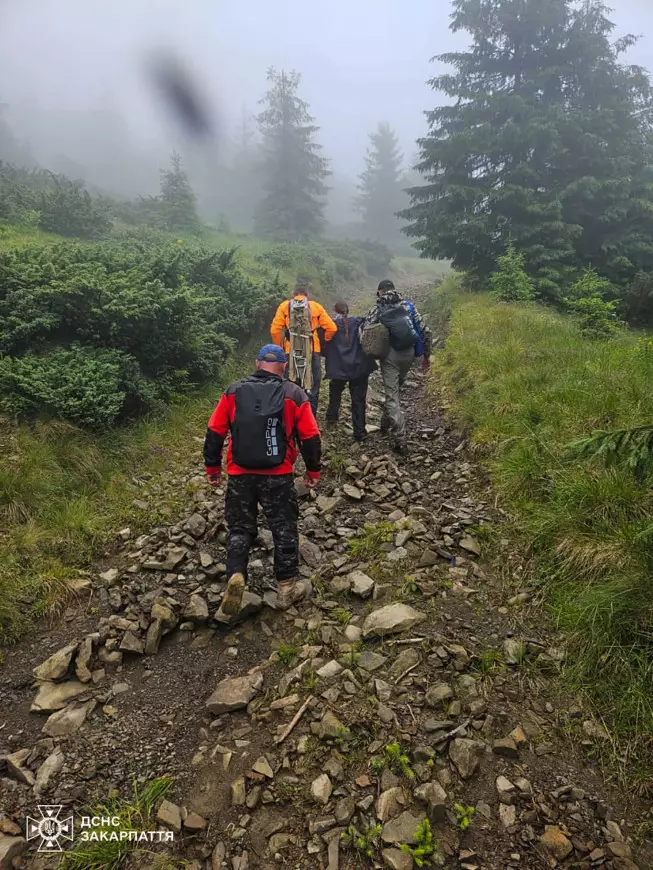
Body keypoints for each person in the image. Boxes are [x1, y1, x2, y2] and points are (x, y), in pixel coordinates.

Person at [204, 344, 322, 613]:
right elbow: (310, 436)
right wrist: (312, 470)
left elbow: (215, 430)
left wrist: (212, 467)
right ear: (283, 367)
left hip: (240, 473)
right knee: (283, 527)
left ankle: (236, 574)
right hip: (278, 474)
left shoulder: (234, 391)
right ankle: (286, 587)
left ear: (257, 364)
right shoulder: (293, 393)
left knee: (239, 527)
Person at [363, 279, 432, 455]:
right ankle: (385, 423)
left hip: (389, 356)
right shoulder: (408, 306)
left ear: (380, 292)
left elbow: (366, 332)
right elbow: (425, 331)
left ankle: (400, 440)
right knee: (395, 389)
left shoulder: (377, 309)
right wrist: (426, 356)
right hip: (408, 353)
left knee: (392, 395)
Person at [270, 284, 337, 415]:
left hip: (290, 351)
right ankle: (309, 418)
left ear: (293, 295)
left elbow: (274, 330)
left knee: (290, 385)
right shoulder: (315, 306)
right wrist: (325, 339)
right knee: (312, 386)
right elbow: (332, 328)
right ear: (307, 295)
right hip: (312, 350)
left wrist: (280, 348)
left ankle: (291, 417)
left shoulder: (285, 306)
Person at [322, 301, 376, 442]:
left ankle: (332, 417)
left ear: (335, 312)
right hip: (359, 368)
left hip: (339, 368)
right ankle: (360, 432)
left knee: (335, 390)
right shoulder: (359, 322)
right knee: (358, 400)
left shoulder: (330, 326)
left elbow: (322, 348)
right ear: (348, 310)